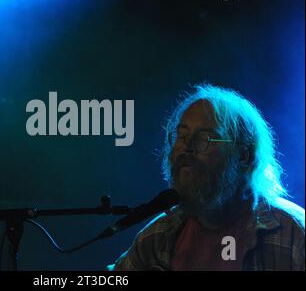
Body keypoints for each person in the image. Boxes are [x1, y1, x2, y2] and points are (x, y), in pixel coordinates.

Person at [108, 84, 305, 271]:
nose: (186, 147)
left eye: (204, 138)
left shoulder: (293, 234)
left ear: (244, 155)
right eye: (181, 136)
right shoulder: (159, 235)